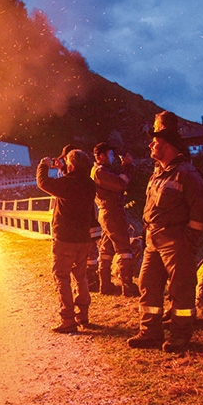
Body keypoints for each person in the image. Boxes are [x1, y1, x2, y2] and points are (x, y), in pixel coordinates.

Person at [127, 122, 203, 352]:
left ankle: (180, 335)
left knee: (180, 288)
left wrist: (189, 239)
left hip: (176, 241)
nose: (150, 144)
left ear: (169, 146)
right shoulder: (158, 172)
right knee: (147, 284)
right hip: (153, 240)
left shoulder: (186, 173)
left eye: (155, 142)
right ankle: (150, 332)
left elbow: (202, 208)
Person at [37, 149, 97, 333]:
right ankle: (83, 315)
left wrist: (44, 165)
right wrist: (64, 168)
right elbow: (72, 182)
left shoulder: (67, 184)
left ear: (71, 165)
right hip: (83, 239)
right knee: (81, 277)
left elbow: (43, 183)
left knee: (62, 277)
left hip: (65, 239)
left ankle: (68, 319)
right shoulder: (89, 184)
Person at [91, 142, 139, 297]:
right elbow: (120, 184)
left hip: (106, 213)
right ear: (101, 156)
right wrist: (127, 166)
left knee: (106, 249)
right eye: (110, 154)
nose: (112, 157)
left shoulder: (99, 171)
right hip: (112, 212)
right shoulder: (99, 171)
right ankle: (128, 286)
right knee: (124, 248)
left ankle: (105, 286)